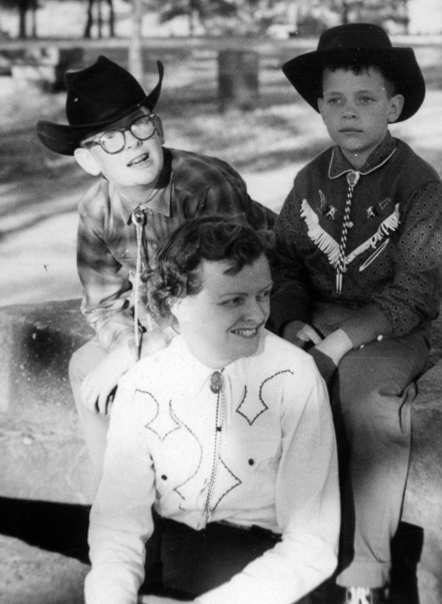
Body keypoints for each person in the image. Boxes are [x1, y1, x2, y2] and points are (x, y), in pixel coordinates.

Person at [272, 23, 442, 604]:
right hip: (318, 317)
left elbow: (414, 296)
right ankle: (287, 551)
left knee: (363, 399)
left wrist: (337, 345)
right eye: (335, 100)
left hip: (390, 328)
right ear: (320, 109)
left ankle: (364, 578)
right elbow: (284, 263)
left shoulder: (419, 187)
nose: (348, 113)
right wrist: (290, 320)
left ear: (394, 106)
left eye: (366, 99)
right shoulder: (310, 181)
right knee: (269, 382)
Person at [36, 56, 275, 480]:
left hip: (250, 309)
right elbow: (103, 304)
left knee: (187, 380)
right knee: (88, 368)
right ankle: (118, 505)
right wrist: (126, 345)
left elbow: (233, 299)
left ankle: (195, 508)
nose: (131, 144)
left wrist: (145, 349)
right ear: (88, 161)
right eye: (110, 139)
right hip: (166, 323)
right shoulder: (97, 210)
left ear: (158, 129)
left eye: (140, 125)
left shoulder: (204, 186)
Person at [85, 216, 340, 604]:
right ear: (176, 303)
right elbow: (118, 526)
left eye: (264, 294)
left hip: (271, 577)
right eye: (232, 300)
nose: (257, 315)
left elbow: (313, 542)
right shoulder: (143, 384)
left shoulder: (294, 375)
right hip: (173, 558)